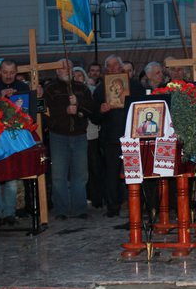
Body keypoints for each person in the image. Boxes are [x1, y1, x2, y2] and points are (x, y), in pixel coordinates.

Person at [90, 55, 145, 217]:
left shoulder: (135, 86)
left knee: (135, 172)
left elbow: (143, 107)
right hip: (111, 138)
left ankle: (138, 206)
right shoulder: (101, 89)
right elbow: (94, 116)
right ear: (106, 69)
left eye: (116, 66)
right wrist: (101, 110)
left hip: (133, 136)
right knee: (111, 174)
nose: (113, 69)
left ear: (122, 67)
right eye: (110, 67)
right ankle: (113, 207)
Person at [44, 60, 94, 219]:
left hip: (79, 135)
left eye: (70, 67)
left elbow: (90, 109)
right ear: (57, 71)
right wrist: (64, 110)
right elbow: (45, 112)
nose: (67, 70)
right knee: (59, 175)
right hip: (58, 135)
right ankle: (61, 209)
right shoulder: (50, 89)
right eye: (63, 68)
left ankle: (80, 208)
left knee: (80, 174)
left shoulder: (82, 88)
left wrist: (78, 106)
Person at [0, 59, 29, 225]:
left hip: (14, 138)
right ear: (0, 71)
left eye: (11, 72)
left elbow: (27, 112)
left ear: (16, 72)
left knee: (11, 177)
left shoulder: (22, 88)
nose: (8, 76)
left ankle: (9, 212)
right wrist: (0, 98)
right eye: (5, 72)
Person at [73, 67, 104, 209]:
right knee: (80, 168)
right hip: (76, 134)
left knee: (94, 166)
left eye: (81, 75)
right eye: (75, 76)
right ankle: (83, 197)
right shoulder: (70, 93)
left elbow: (94, 110)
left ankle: (96, 197)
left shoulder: (91, 90)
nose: (78, 78)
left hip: (91, 133)